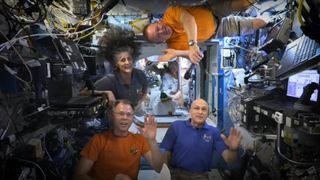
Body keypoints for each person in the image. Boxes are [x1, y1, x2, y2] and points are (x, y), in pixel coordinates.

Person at [143, 5, 271, 64]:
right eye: (158, 36)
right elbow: (196, 55)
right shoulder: (173, 45)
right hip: (219, 30)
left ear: (159, 21)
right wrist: (178, 53)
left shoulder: (170, 13)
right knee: (255, 24)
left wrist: (192, 44)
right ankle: (274, 18)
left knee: (243, 3)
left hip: (214, 9)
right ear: (160, 42)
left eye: (158, 28)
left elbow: (188, 19)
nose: (161, 31)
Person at [73, 99, 163, 180]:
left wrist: (152, 141)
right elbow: (78, 176)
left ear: (132, 118)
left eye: (129, 114)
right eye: (121, 113)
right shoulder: (98, 140)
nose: (125, 118)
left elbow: (158, 167)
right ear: (112, 116)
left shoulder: (139, 139)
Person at [160, 98, 241, 179]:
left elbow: (230, 161)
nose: (200, 112)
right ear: (190, 111)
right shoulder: (176, 126)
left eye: (204, 109)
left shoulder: (214, 132)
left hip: (200, 176)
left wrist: (233, 150)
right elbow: (165, 153)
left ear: (207, 113)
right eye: (196, 108)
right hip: (176, 174)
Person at [85, 27, 148, 107]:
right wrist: (106, 93)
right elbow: (84, 94)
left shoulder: (140, 75)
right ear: (116, 64)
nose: (127, 62)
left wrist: (143, 98)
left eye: (129, 59)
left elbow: (144, 90)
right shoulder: (109, 81)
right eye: (122, 60)